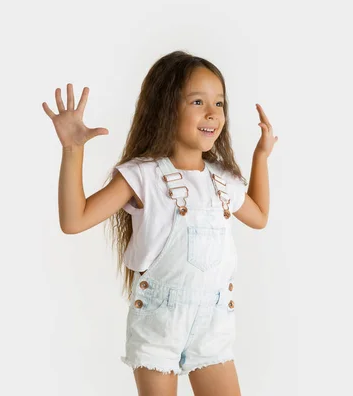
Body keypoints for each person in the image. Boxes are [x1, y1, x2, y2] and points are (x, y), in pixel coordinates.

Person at [42, 50, 277, 396]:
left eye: (219, 103)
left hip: (213, 324)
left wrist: (260, 157)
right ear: (167, 107)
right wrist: (73, 151)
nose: (212, 113)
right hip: (158, 324)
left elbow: (259, 216)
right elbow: (74, 220)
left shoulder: (222, 179)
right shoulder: (143, 175)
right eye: (198, 102)